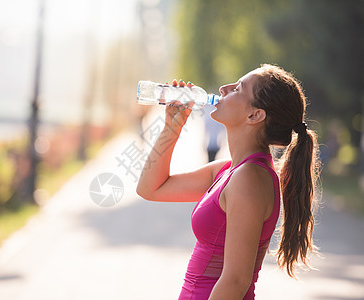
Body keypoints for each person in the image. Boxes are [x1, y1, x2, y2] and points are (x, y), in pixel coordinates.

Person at [136, 64, 320, 300]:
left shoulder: (249, 179)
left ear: (255, 115)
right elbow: (150, 189)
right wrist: (172, 128)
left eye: (238, 88)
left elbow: (236, 281)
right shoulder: (229, 170)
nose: (224, 89)